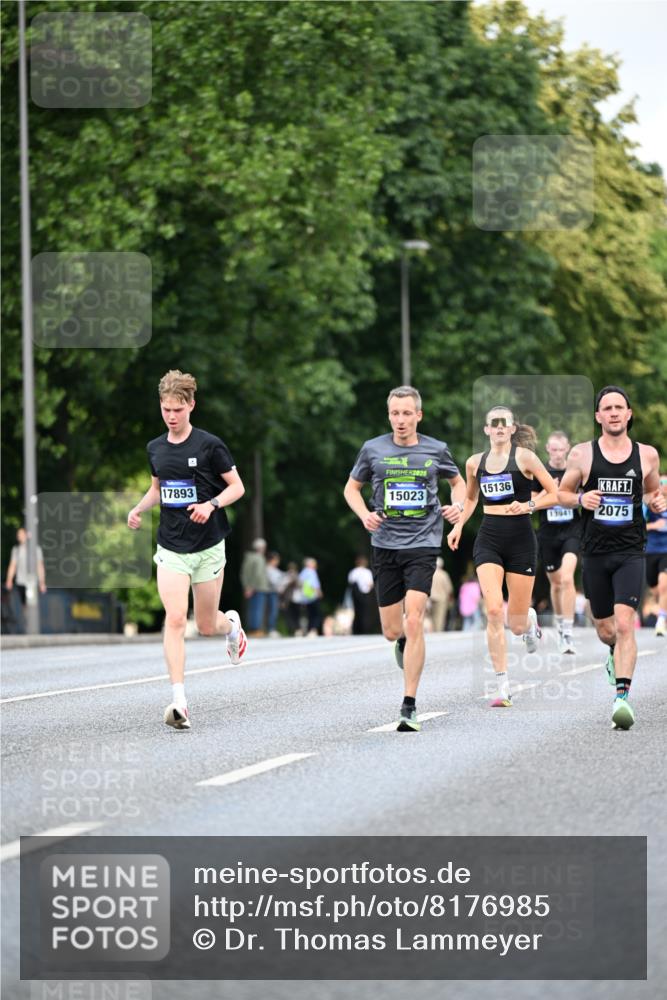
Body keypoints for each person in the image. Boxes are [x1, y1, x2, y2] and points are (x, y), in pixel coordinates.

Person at [127, 369, 247, 731]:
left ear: (191, 405)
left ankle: (233, 629)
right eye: (165, 409)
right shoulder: (155, 449)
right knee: (176, 618)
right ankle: (179, 701)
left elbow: (237, 487)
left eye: (178, 409)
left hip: (209, 546)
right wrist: (138, 508)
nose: (171, 416)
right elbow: (159, 489)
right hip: (172, 546)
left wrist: (210, 505)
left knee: (207, 624)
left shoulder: (210, 445)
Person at [344, 385, 465, 732]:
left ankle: (409, 704)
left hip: (423, 544)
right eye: (395, 413)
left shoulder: (436, 449)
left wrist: (456, 506)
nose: (401, 420)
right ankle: (401, 642)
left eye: (407, 413)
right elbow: (351, 489)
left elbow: (459, 484)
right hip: (384, 545)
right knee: (392, 629)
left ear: (418, 415)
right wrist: (364, 514)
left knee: (415, 621)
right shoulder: (373, 449)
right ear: (389, 416)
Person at [558, 386, 666, 730]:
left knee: (624, 624)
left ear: (629, 414)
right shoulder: (582, 455)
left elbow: (651, 490)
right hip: (594, 552)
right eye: (608, 408)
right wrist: (581, 500)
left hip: (631, 550)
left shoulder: (647, 455)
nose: (615, 412)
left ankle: (622, 698)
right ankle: (612, 655)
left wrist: (656, 502)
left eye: (620, 407)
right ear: (598, 416)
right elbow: (561, 493)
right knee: (606, 630)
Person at [448, 406, 558, 708]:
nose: (498, 428)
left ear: (511, 429)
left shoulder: (525, 458)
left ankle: (530, 621)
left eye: (503, 424)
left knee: (517, 624)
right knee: (494, 610)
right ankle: (502, 685)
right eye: (492, 424)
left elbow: (554, 493)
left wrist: (529, 506)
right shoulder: (474, 463)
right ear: (486, 430)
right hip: (489, 539)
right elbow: (470, 498)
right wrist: (458, 525)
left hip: (522, 540)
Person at [533, 431, 582, 654]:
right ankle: (561, 623)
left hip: (572, 530)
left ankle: (568, 633)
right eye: (554, 449)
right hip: (548, 534)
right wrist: (549, 489)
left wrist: (573, 497)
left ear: (568, 449)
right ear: (548, 449)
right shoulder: (540, 471)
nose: (558, 454)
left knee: (567, 577)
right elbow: (532, 504)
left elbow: (581, 499)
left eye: (562, 449)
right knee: (555, 583)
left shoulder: (575, 471)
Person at [644, 472, 667, 637]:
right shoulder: (649, 504)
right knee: (655, 589)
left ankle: (661, 621)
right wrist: (654, 525)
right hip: (651, 550)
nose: (663, 485)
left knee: (664, 586)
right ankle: (663, 609)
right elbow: (637, 527)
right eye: (661, 482)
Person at [5, 527, 47, 608]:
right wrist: (9, 580)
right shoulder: (16, 550)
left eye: (21, 534)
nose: (19, 536)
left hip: (33, 581)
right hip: (21, 581)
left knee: (32, 602)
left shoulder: (36, 549)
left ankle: (32, 617)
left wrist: (42, 582)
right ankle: (28, 618)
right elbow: (13, 565)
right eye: (18, 534)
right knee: (24, 604)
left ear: (26, 535)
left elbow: (40, 566)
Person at [241, 538, 270, 636]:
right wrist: (251, 587)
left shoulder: (249, 557)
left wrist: (247, 586)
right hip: (259, 587)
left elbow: (245, 573)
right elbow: (257, 574)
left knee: (253, 608)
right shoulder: (259, 558)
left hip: (253, 587)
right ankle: (255, 629)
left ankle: (253, 629)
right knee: (257, 608)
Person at [347, 555, 380, 635]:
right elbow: (371, 584)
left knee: (357, 612)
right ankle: (365, 629)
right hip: (366, 595)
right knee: (365, 612)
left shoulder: (353, 572)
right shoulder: (367, 572)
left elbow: (351, 582)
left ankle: (356, 629)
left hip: (355, 595)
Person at [298, 557, 323, 636]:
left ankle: (308, 629)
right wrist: (319, 592)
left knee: (308, 614)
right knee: (316, 614)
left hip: (305, 597)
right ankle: (313, 630)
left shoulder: (303, 572)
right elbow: (314, 584)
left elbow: (300, 583)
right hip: (313, 595)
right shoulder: (311, 572)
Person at [429, 557, 453, 632]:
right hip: (441, 599)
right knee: (439, 617)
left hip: (430, 598)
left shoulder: (429, 573)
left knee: (431, 616)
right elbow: (449, 589)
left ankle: (431, 631)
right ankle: (438, 632)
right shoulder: (444, 575)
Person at [266, 551, 286, 637]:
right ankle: (271, 629)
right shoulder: (268, 569)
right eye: (277, 560)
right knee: (272, 611)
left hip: (274, 592)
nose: (278, 562)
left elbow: (283, 575)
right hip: (271, 592)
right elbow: (273, 581)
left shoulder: (274, 570)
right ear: (272, 560)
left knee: (274, 611)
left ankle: (272, 628)